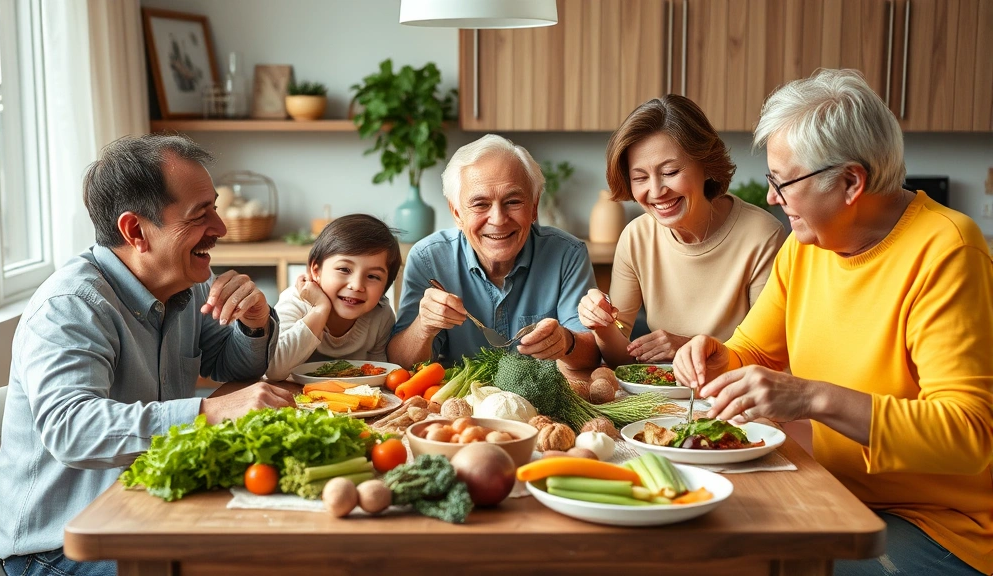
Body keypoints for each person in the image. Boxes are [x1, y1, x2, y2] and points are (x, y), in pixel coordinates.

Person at [673, 69, 993, 576]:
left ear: (850, 182)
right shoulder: (809, 246)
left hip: (938, 524)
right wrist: (717, 356)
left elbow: (969, 435)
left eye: (783, 181)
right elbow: (753, 352)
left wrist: (811, 397)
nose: (772, 197)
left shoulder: (947, 250)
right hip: (834, 490)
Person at [0, 134, 294, 576]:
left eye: (214, 207)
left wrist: (254, 321)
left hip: (146, 507)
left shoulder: (185, 286)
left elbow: (233, 366)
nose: (221, 228)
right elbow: (71, 430)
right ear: (136, 231)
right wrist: (209, 413)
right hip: (60, 549)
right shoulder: (71, 306)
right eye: (200, 214)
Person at [577, 95, 785, 366]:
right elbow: (621, 358)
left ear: (707, 165)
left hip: (735, 398)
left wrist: (687, 347)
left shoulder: (762, 235)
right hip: (668, 401)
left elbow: (768, 356)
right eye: (640, 177)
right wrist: (602, 325)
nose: (656, 191)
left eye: (671, 171)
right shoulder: (636, 238)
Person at [389, 134, 600, 370]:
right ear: (457, 213)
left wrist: (566, 342)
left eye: (512, 201)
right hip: (458, 402)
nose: (498, 220)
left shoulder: (568, 254)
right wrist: (423, 327)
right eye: (480, 204)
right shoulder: (428, 259)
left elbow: (593, 357)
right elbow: (400, 366)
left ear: (534, 207)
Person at [265, 214, 400, 380]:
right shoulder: (295, 301)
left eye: (372, 276)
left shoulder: (381, 314)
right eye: (344, 269)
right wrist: (320, 309)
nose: (357, 285)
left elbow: (381, 375)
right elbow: (273, 369)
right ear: (316, 271)